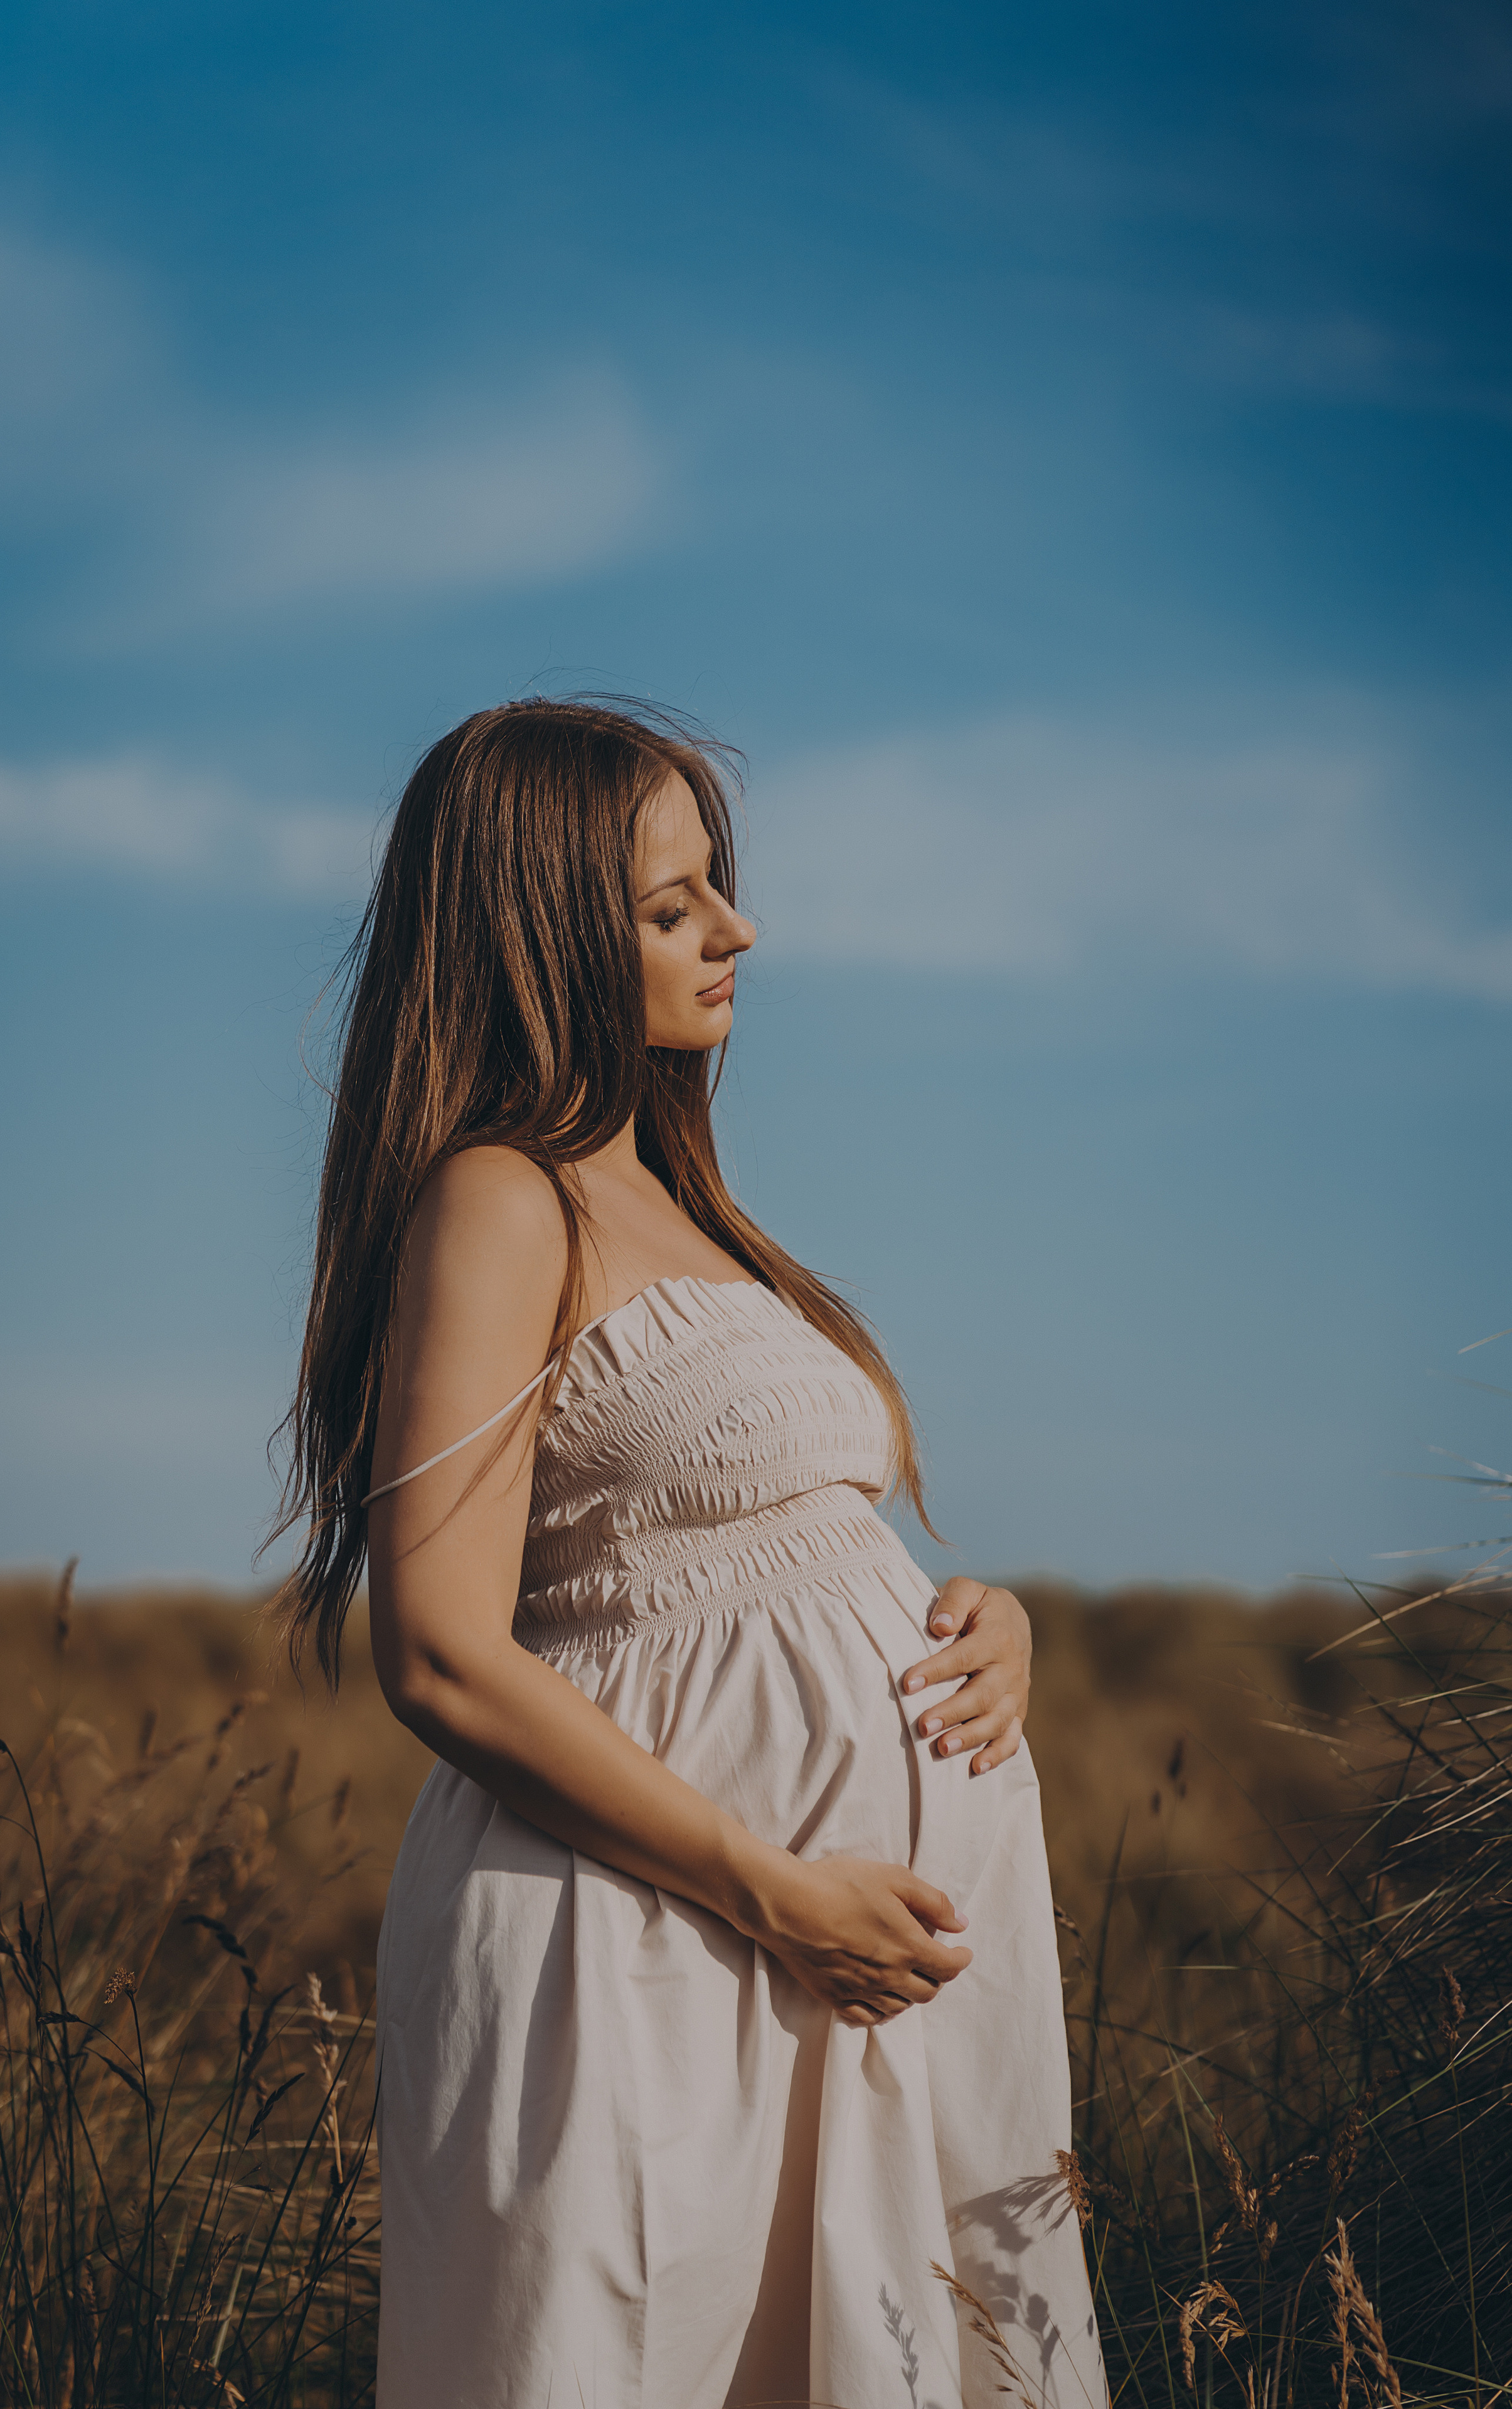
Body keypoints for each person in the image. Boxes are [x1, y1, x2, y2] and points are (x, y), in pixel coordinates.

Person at [274, 699, 1107, 2409]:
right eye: (670, 908)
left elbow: (792, 1539)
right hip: (658, 1955)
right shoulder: (504, 1199)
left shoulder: (684, 1202)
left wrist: (987, 1623)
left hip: (830, 1978)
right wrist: (775, 1889)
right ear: (546, 933)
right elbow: (437, 1647)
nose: (736, 931)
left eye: (716, 887)